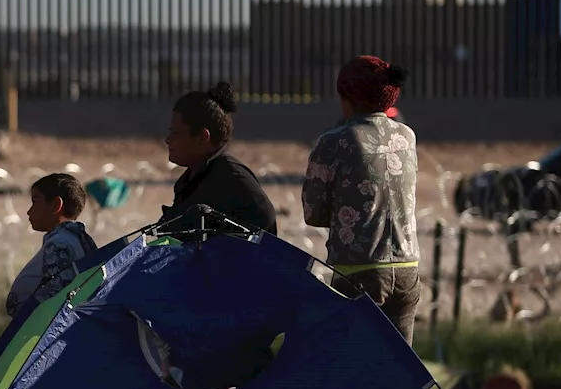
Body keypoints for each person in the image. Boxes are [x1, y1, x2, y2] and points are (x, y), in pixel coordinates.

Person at [301, 56, 420, 343]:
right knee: (400, 373)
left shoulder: (335, 141)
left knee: (353, 369)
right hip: (408, 269)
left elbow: (312, 213)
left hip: (359, 271)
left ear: (347, 95)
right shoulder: (407, 135)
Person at [161, 82, 277, 235]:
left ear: (202, 137)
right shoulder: (189, 180)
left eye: (175, 133)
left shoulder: (234, 181)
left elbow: (266, 229)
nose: (167, 140)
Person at [5, 173, 99, 318]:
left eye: (35, 202)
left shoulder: (60, 244)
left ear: (55, 205)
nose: (29, 211)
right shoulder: (72, 239)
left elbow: (54, 299)